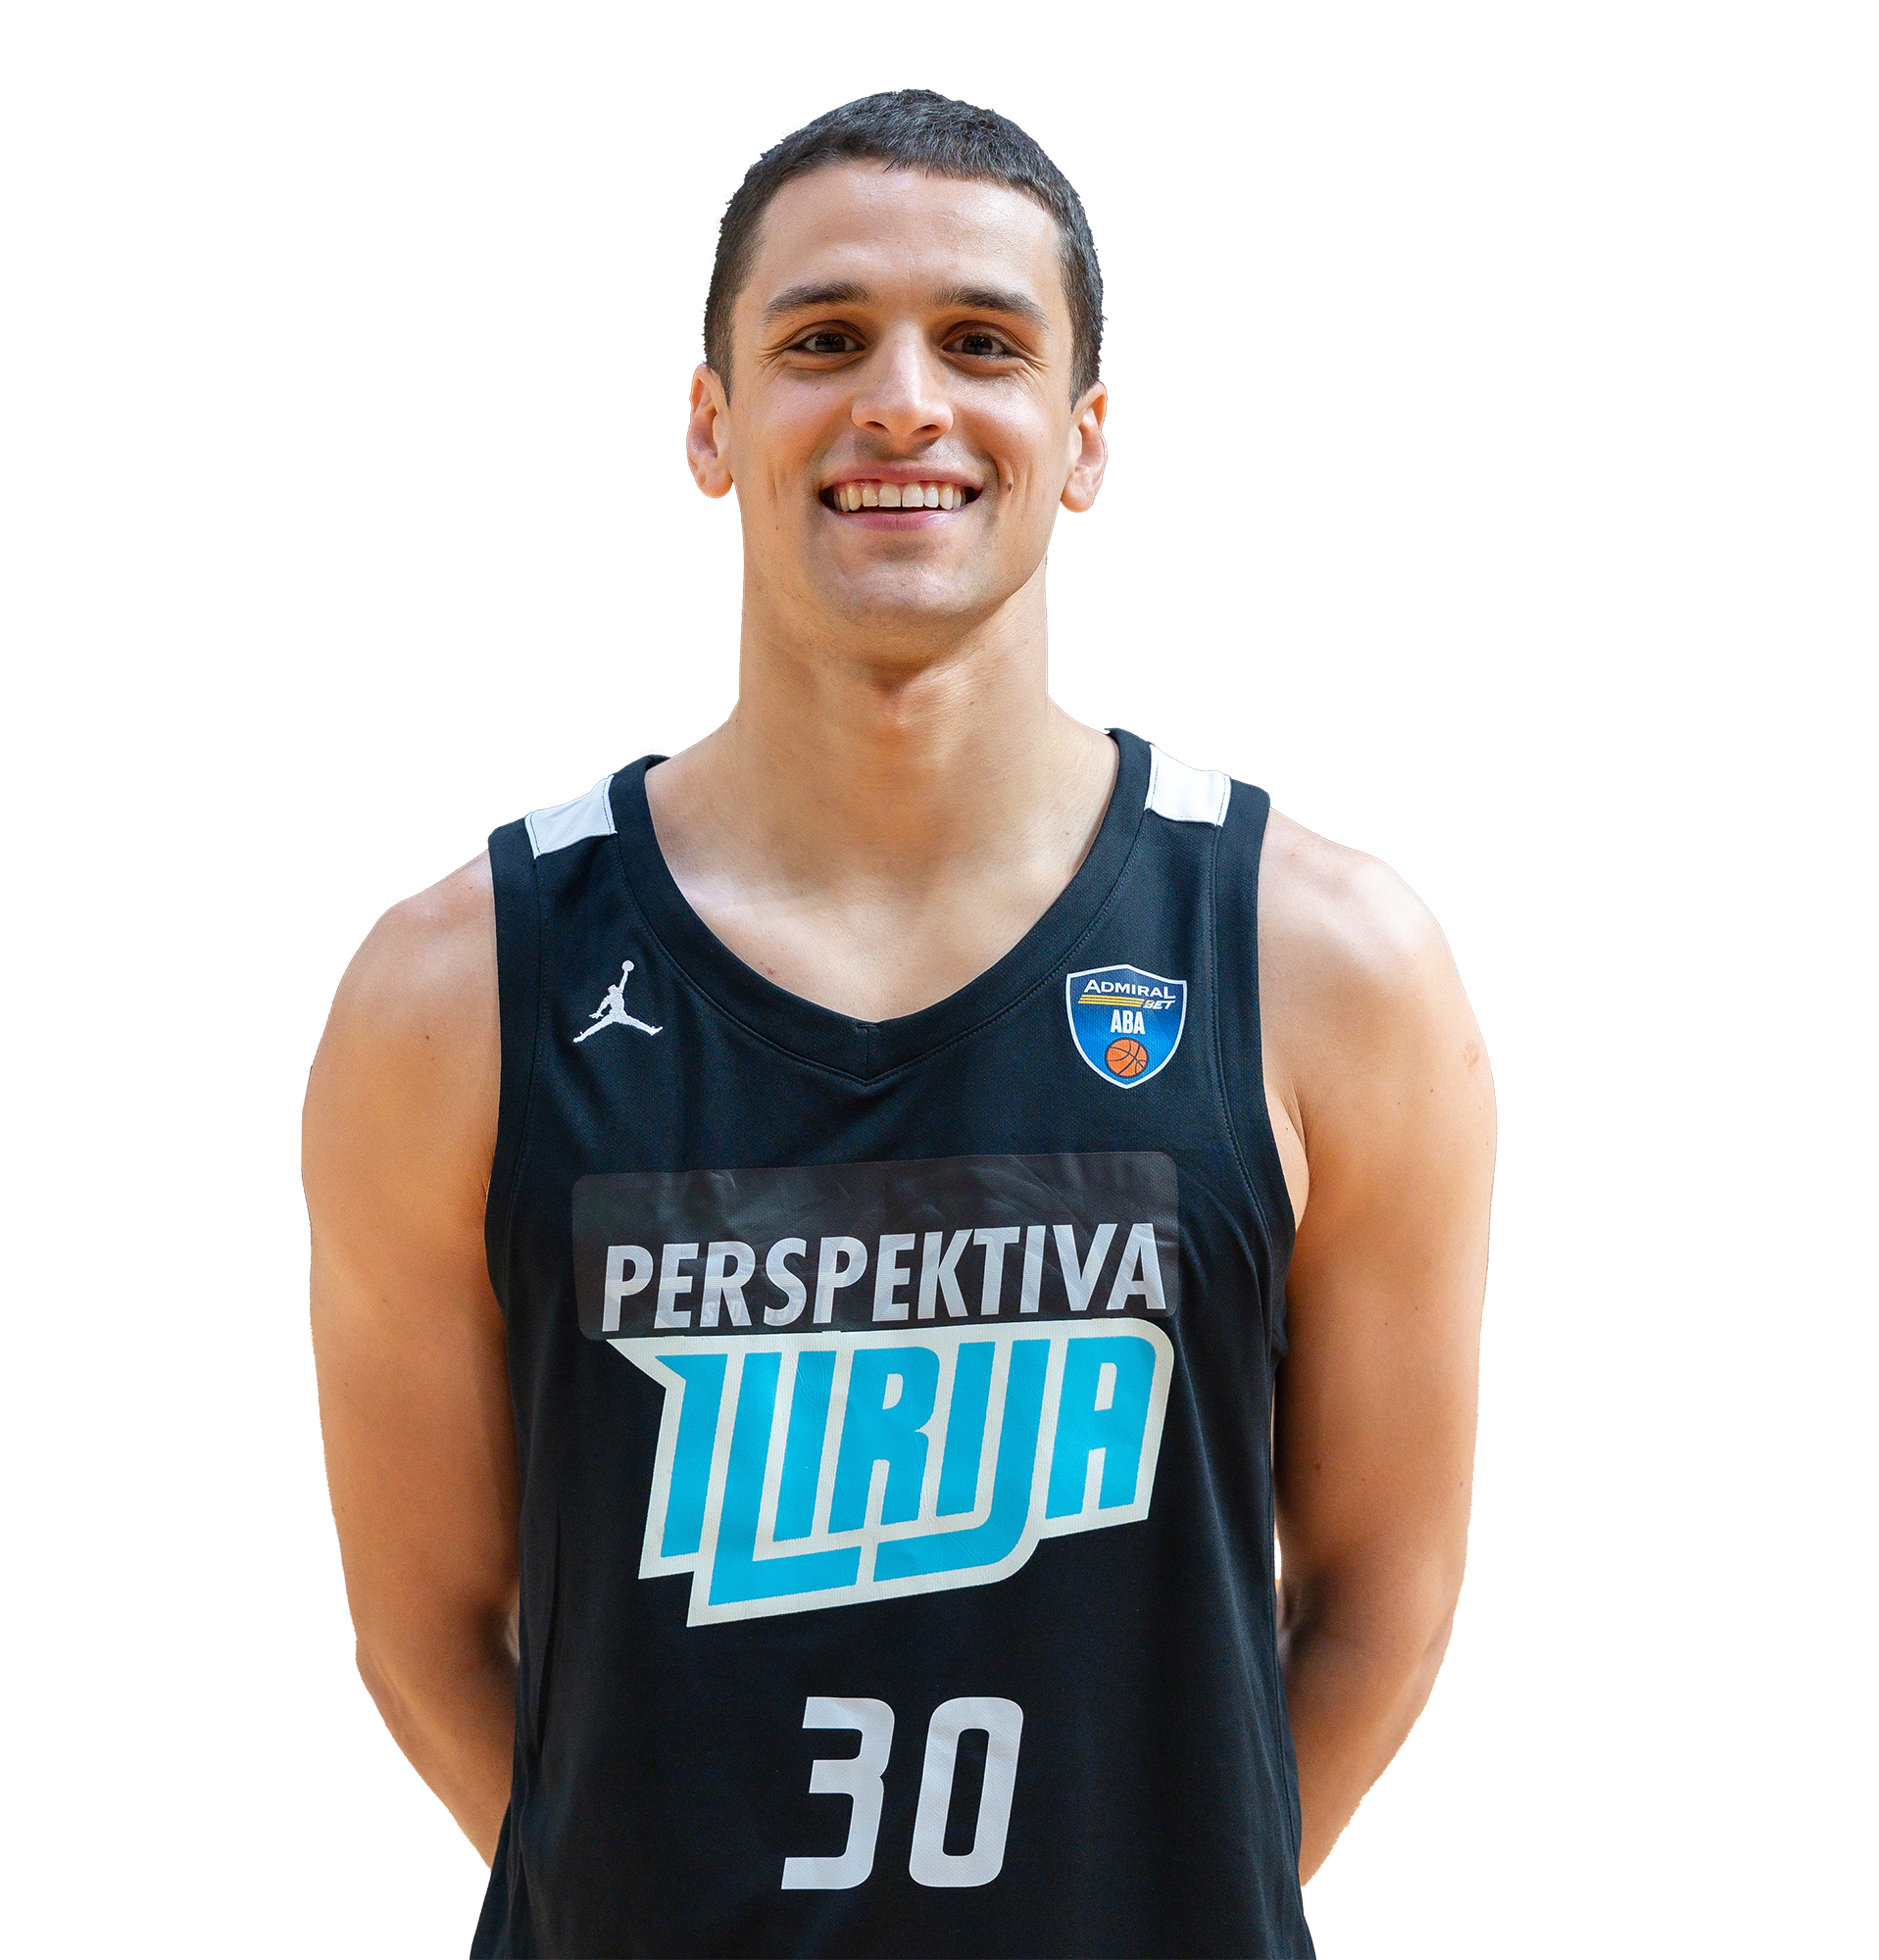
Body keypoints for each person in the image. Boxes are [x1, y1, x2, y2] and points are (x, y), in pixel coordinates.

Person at [302, 90, 1495, 1960]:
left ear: (1085, 443)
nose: (904, 404)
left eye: (985, 344)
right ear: (712, 426)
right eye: (825, 340)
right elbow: (428, 1631)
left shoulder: (1332, 961)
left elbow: (1379, 1600)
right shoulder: (456, 990)